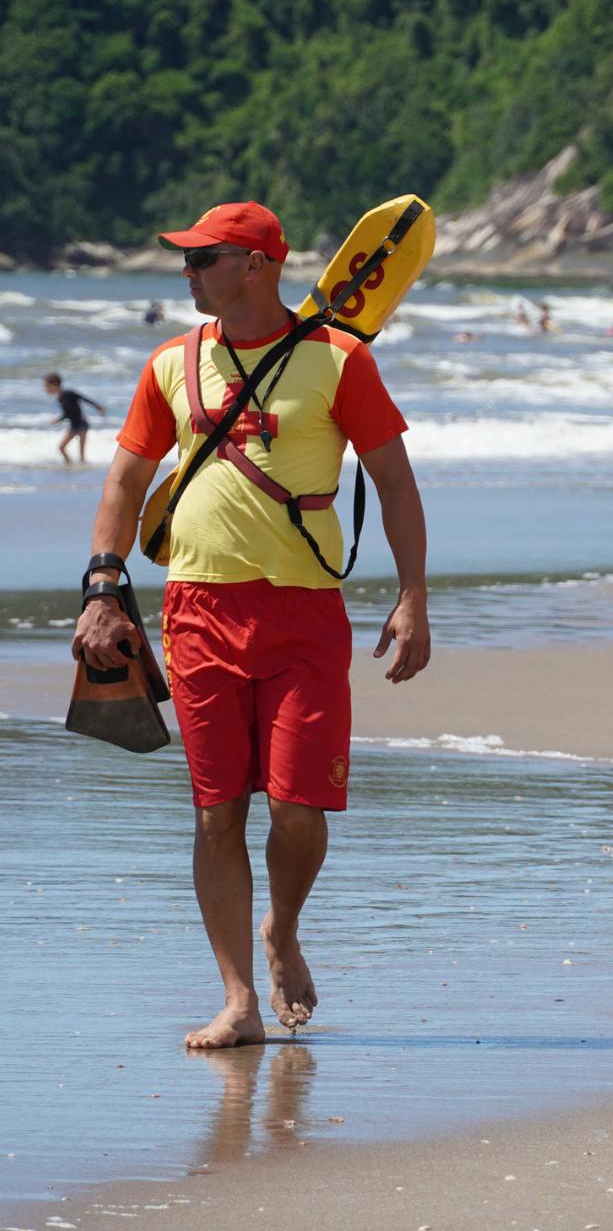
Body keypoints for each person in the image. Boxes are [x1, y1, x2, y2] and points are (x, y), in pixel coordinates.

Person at [71, 201, 430, 1050]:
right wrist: (102, 587)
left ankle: (282, 928)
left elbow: (395, 482)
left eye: (204, 257)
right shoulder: (171, 362)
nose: (187, 271)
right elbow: (125, 480)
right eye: (188, 257)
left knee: (300, 810)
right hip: (197, 611)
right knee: (216, 810)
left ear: (257, 264)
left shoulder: (338, 359)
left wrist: (413, 595)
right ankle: (238, 1000)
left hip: (304, 614)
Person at [44, 372, 105, 463]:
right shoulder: (59, 399)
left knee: (81, 454)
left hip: (82, 424)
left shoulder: (69, 393)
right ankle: (69, 464)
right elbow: (68, 414)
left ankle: (78, 467)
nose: (45, 389)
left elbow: (84, 398)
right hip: (73, 426)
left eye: (47, 386)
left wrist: (98, 407)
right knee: (61, 447)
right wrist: (58, 420)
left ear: (55, 384)